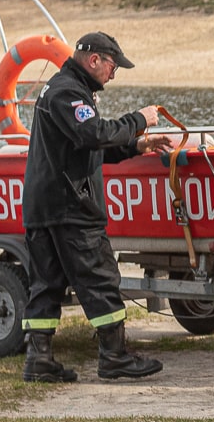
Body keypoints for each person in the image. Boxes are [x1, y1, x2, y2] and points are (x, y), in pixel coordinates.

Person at [20, 31, 174, 384]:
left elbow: (86, 146)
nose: (114, 74)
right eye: (113, 66)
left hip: (44, 206)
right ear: (94, 60)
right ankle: (114, 356)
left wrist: (137, 146)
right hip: (70, 206)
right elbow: (94, 134)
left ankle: (38, 358)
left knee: (45, 284)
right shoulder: (67, 93)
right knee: (100, 278)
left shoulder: (64, 89)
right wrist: (139, 120)